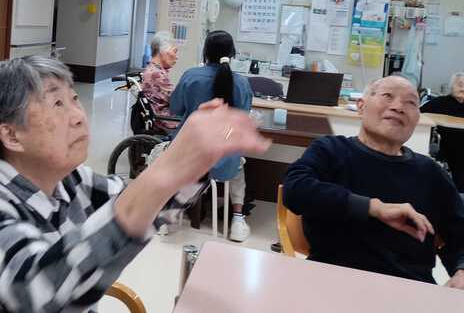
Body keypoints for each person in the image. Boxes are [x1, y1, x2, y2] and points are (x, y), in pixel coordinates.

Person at [0, 56, 270, 312]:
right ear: (11, 135)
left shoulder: (71, 181)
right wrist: (164, 171)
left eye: (74, 99)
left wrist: (196, 162)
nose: (78, 115)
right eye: (57, 104)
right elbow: (39, 292)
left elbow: (147, 205)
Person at [283, 75, 464, 288]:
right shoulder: (331, 150)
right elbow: (295, 190)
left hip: (409, 287)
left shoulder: (431, 172)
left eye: (411, 102)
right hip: (333, 280)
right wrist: (374, 208)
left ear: (417, 118)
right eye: (388, 96)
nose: (398, 107)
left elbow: (459, 233)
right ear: (361, 106)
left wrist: (461, 271)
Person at [169, 30, 254, 242]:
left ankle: (173, 210)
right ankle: (237, 220)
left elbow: (175, 108)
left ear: (205, 52)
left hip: (188, 155)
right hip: (223, 160)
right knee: (238, 165)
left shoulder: (191, 76)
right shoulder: (241, 83)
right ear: (232, 53)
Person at [421, 72, 464, 191]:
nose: (463, 88)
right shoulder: (440, 102)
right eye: (460, 84)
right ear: (451, 86)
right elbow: (419, 114)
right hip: (447, 142)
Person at [140, 31, 179, 130]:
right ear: (162, 52)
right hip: (165, 122)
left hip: (160, 117)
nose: (177, 57)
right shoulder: (157, 74)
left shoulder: (151, 69)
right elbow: (178, 101)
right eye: (175, 51)